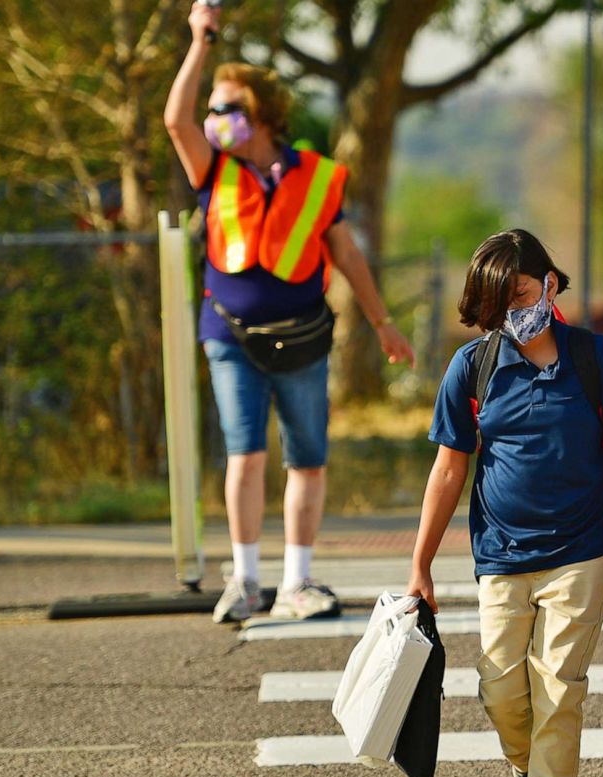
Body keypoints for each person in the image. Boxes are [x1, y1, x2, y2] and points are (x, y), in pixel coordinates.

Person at [164, 1, 414, 624]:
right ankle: (246, 580)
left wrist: (383, 322)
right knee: (244, 452)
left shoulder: (316, 177)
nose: (217, 119)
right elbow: (174, 120)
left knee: (307, 455)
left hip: (303, 336)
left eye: (230, 108)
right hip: (230, 335)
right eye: (214, 109)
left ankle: (297, 581)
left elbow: (348, 255)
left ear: (265, 114)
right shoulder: (212, 168)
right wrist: (202, 39)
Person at [406, 230, 603, 777]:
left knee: (559, 688)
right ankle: (530, 772)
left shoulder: (598, 362)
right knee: (500, 687)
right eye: (499, 301)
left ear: (552, 285)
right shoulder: (472, 367)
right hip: (501, 554)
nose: (514, 310)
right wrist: (420, 564)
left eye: (523, 294)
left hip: (584, 551)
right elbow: (449, 470)